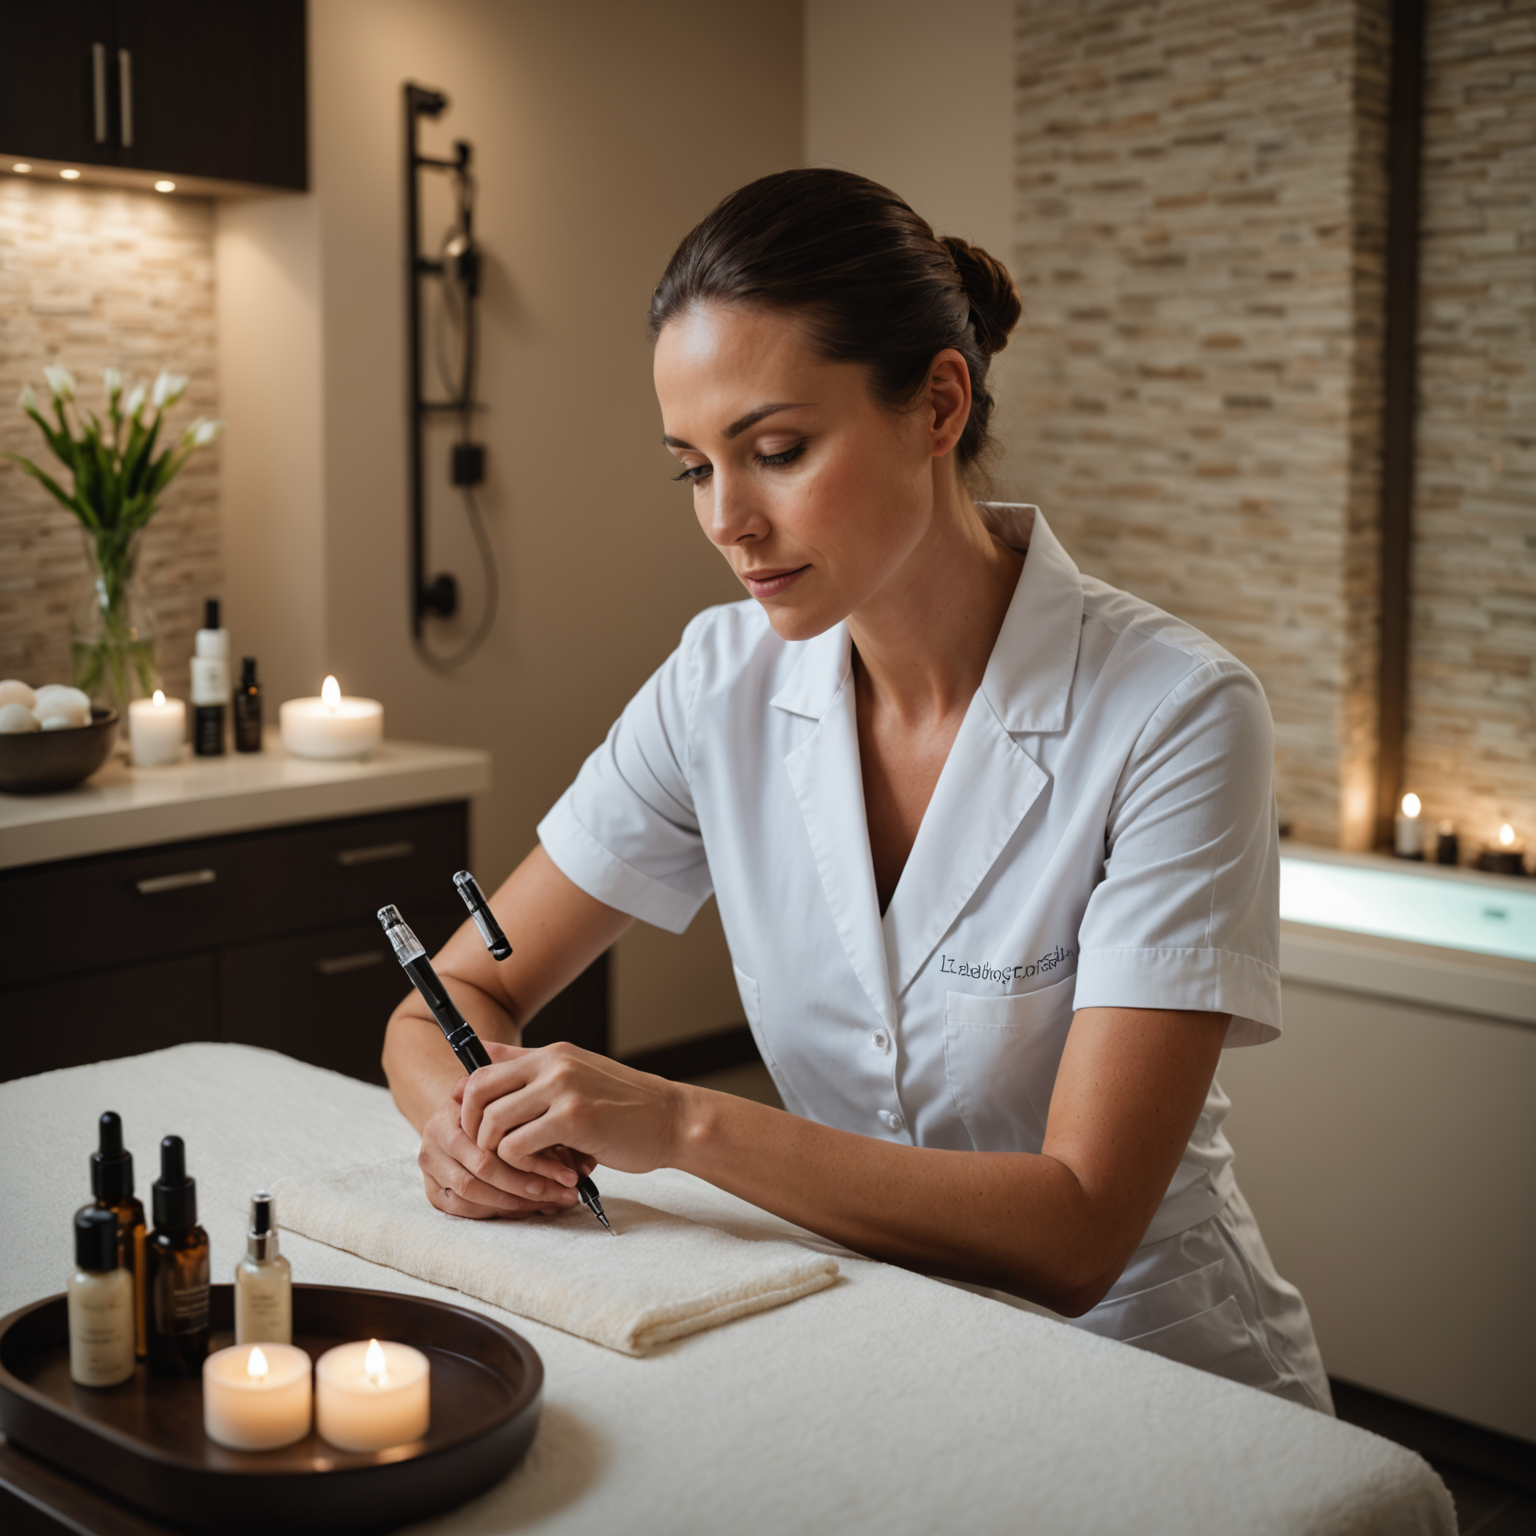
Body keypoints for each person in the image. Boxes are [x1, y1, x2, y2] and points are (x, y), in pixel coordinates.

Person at [382, 168, 1331, 1413]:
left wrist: (681, 1125)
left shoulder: (1176, 714)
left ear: (939, 404)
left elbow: (1079, 1229)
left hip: (1160, 1377)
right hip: (878, 1354)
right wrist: (465, 1130)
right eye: (692, 469)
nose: (728, 520)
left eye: (776, 451)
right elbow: (452, 995)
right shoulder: (714, 685)